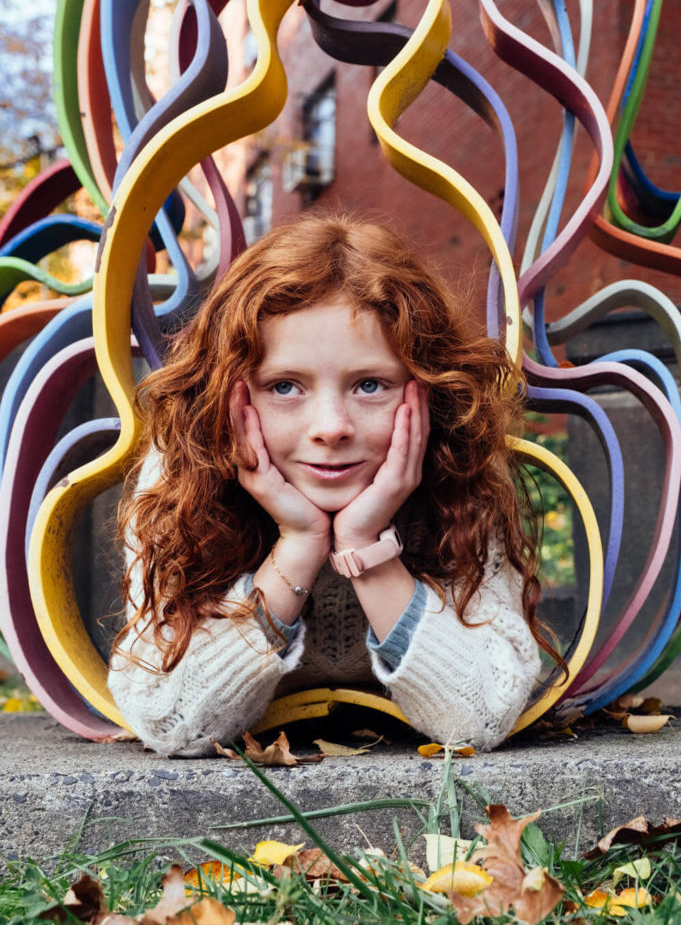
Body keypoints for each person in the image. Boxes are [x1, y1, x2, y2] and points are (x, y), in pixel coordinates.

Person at [109, 212, 558, 757]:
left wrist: (366, 547)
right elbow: (170, 719)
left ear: (428, 391)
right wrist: (298, 546)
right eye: (284, 386)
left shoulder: (457, 473)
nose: (330, 428)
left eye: (370, 385)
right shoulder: (183, 475)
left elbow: (482, 715)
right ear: (231, 394)